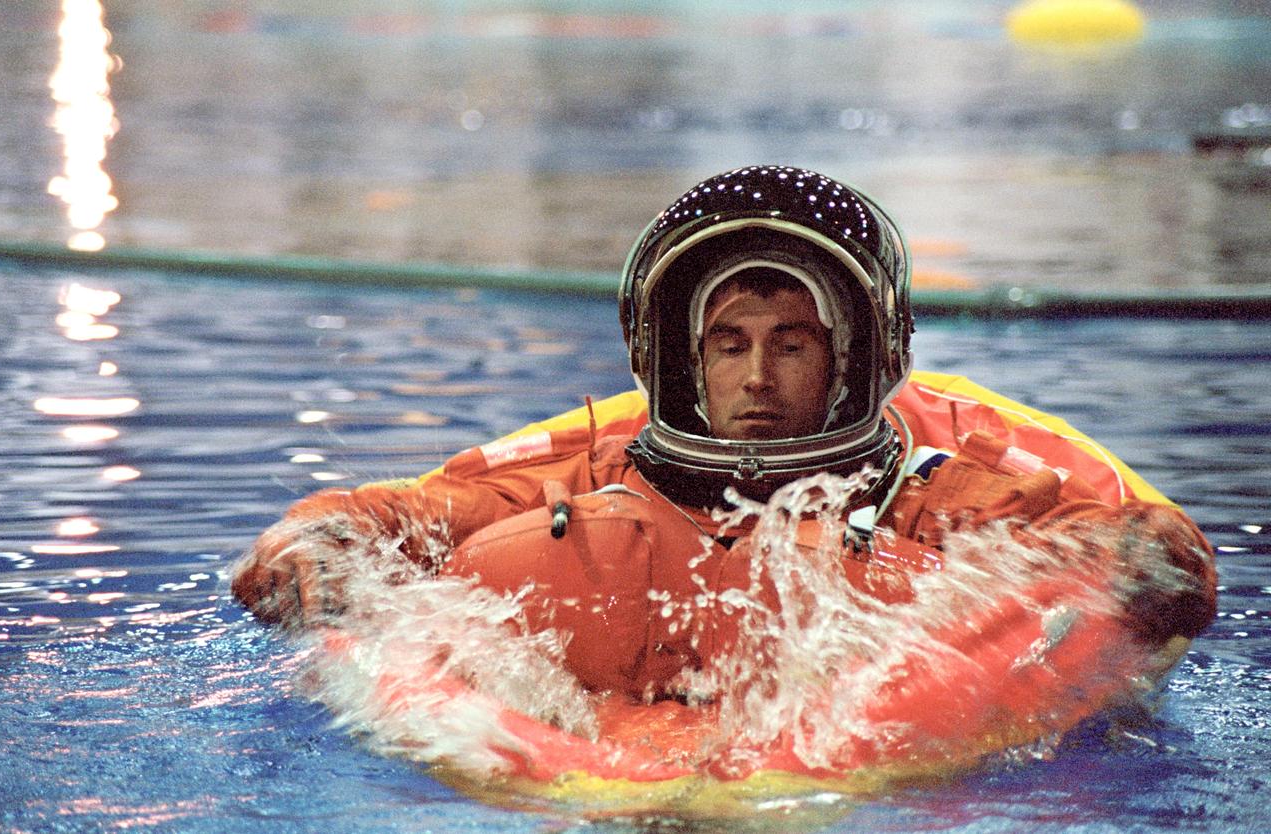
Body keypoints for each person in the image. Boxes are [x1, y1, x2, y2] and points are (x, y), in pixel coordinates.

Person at [232, 165, 1216, 698]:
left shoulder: (921, 491)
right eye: (726, 342)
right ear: (680, 357)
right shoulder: (590, 472)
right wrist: (314, 543)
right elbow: (414, 511)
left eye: (791, 342)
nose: (753, 375)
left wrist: (1142, 558)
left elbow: (1069, 535)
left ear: (849, 358)